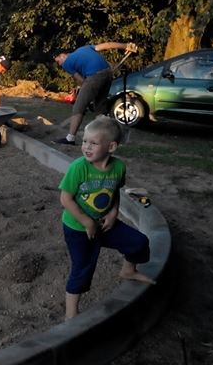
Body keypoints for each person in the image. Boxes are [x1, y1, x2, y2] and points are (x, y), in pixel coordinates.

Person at [58, 115, 155, 320]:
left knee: (138, 242)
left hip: (104, 224)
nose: (86, 147)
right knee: (83, 267)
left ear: (111, 147)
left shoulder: (118, 168)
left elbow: (114, 192)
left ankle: (128, 270)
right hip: (77, 227)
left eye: (93, 143)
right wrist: (86, 222)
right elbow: (65, 199)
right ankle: (71, 314)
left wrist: (113, 213)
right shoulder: (79, 167)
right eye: (85, 141)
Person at [52, 41, 137, 145]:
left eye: (58, 61)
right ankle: (115, 137)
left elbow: (81, 80)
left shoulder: (66, 63)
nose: (59, 64)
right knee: (101, 109)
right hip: (108, 73)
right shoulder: (84, 48)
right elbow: (108, 45)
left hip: (94, 77)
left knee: (78, 107)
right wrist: (126, 46)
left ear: (62, 55)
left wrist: (85, 92)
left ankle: (70, 138)